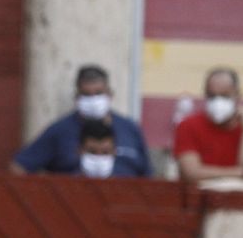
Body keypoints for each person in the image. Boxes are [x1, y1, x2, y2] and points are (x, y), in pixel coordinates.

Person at [11, 65, 152, 176]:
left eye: (98, 93)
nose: (93, 99)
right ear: (77, 97)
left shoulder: (130, 129)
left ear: (109, 94)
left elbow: (148, 176)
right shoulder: (59, 131)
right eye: (86, 94)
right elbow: (19, 167)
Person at [174, 67, 243, 182]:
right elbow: (191, 173)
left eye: (225, 96)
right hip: (199, 197)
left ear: (238, 95)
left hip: (238, 198)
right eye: (212, 96)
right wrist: (242, 173)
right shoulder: (188, 126)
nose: (217, 101)